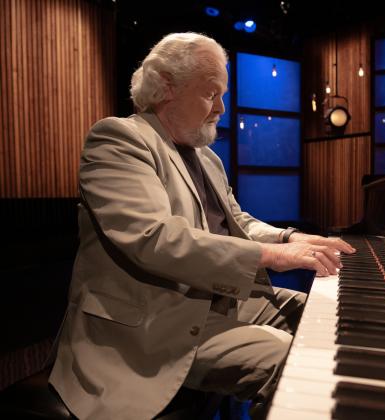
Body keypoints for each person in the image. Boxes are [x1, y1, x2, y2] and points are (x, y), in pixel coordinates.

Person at [48, 32, 355, 420]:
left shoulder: (207, 158)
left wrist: (289, 237)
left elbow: (236, 221)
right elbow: (154, 238)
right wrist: (274, 255)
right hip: (153, 323)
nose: (221, 108)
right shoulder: (119, 138)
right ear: (165, 88)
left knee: (334, 316)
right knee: (295, 364)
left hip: (219, 303)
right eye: (212, 94)